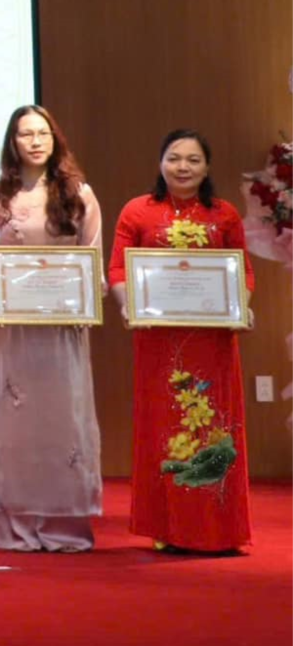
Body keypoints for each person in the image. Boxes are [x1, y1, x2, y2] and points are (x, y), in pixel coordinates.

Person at [107, 129, 252, 554]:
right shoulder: (137, 211)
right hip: (159, 340)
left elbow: (243, 271)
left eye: (193, 159)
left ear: (207, 167)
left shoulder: (224, 214)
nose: (183, 167)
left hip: (212, 341)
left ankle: (218, 530)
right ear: (160, 163)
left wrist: (242, 308)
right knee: (164, 426)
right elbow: (118, 270)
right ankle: (170, 528)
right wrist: (127, 305)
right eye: (174, 158)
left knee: (214, 427)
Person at [0, 105, 104, 552]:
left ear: (55, 139)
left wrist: (80, 294)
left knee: (64, 423)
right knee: (16, 426)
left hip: (62, 331)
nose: (35, 141)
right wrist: (0, 290)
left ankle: (65, 527)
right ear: (12, 142)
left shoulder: (79, 195)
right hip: (14, 333)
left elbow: (92, 260)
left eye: (42, 133)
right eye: (25, 134)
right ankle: (18, 528)